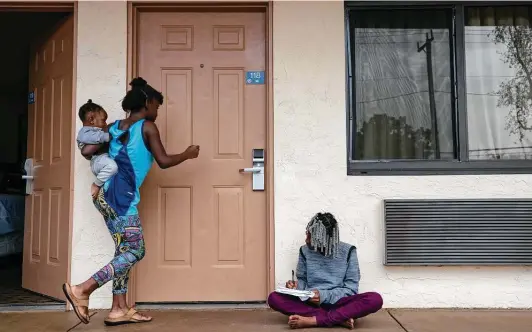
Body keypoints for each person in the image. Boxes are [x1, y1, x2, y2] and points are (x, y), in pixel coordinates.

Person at [62, 77, 200, 326]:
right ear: (147, 103)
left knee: (123, 251)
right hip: (121, 199)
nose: (157, 112)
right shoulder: (147, 127)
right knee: (136, 250)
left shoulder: (115, 126)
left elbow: (87, 145)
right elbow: (164, 161)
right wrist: (188, 154)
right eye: (156, 106)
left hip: (105, 196)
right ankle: (83, 289)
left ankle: (118, 309)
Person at [268, 212, 383, 330]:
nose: (306, 240)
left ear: (323, 238)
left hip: (339, 302)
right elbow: (303, 281)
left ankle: (313, 320)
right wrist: (296, 287)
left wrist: (324, 295)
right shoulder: (304, 250)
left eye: (310, 236)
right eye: (307, 234)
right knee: (273, 297)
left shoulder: (348, 251)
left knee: (375, 299)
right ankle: (338, 318)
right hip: (310, 302)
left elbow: (351, 289)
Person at [76, 99, 118, 198]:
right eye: (103, 120)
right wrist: (107, 136)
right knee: (112, 167)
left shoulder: (97, 130)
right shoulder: (84, 132)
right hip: (97, 160)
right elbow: (93, 138)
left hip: (102, 159)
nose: (105, 124)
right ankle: (96, 184)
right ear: (91, 120)